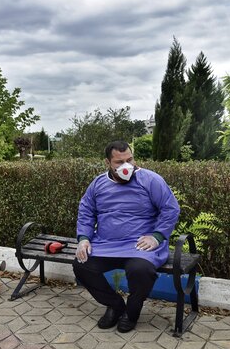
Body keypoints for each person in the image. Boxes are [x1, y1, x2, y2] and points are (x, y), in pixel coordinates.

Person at [72, 140, 180, 333]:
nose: (126, 166)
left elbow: (170, 209)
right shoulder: (98, 184)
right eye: (119, 162)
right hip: (106, 244)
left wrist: (156, 236)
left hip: (140, 247)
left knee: (140, 270)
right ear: (108, 162)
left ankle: (131, 312)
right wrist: (84, 239)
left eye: (130, 160)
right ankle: (115, 305)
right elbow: (86, 211)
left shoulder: (151, 180)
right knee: (82, 264)